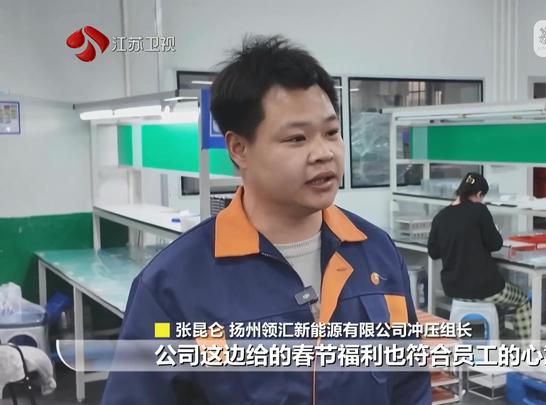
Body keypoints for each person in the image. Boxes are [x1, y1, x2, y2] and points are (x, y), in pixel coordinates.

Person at [102, 35, 430, 404]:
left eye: (331, 133)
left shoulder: (376, 252)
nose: (323, 153)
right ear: (239, 149)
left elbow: (409, 385)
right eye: (296, 139)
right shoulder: (173, 285)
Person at [428, 172, 532, 340]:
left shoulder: (441, 217)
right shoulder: (479, 210)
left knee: (499, 304)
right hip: (483, 288)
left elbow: (433, 252)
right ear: (478, 194)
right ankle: (529, 349)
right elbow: (495, 244)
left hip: (453, 287)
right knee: (521, 300)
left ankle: (497, 337)